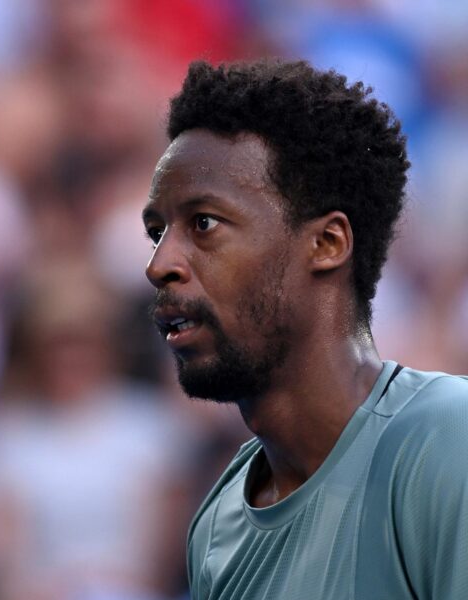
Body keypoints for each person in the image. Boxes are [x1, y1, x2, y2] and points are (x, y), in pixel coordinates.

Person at [141, 59, 468, 599]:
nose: (159, 264)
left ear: (327, 244)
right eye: (157, 232)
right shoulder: (216, 525)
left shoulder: (444, 443)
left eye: (203, 223)